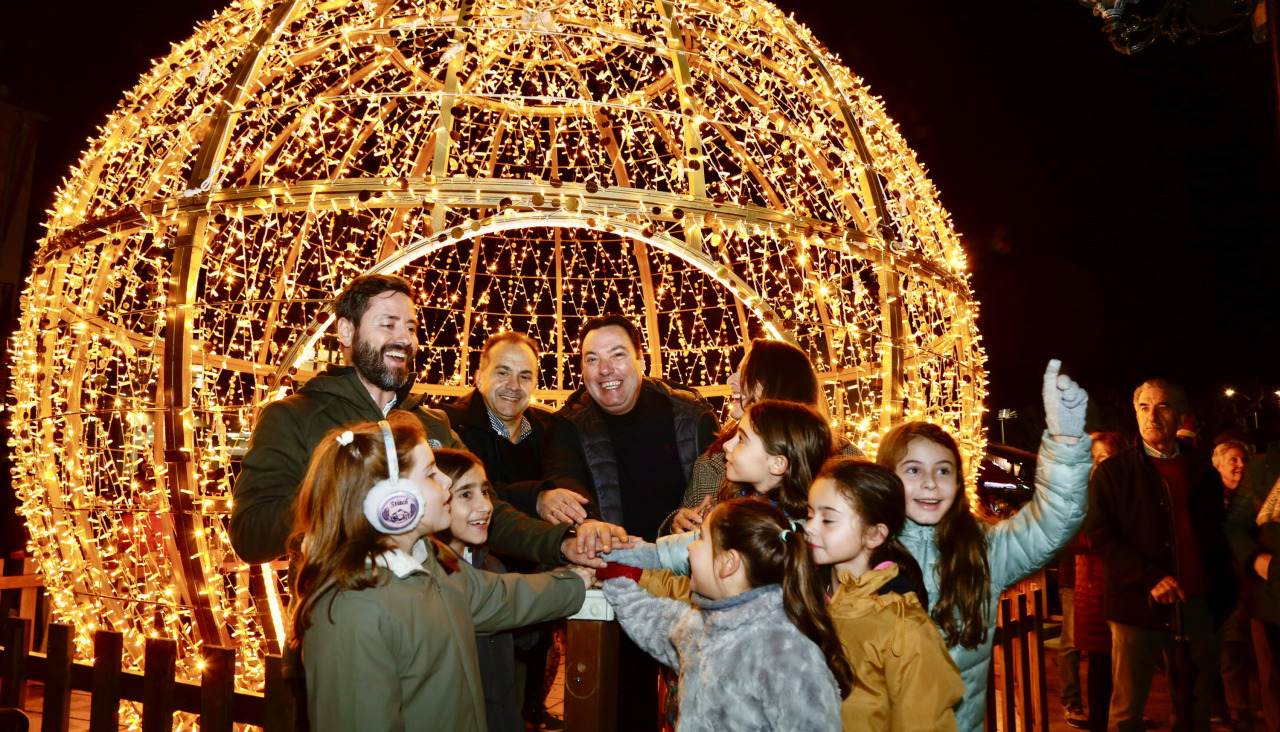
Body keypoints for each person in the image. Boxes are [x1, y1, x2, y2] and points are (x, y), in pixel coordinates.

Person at [230, 274, 624, 569]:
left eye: (411, 328)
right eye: (388, 324)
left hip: (435, 630)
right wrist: (351, 487)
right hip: (346, 632)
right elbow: (250, 535)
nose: (404, 339)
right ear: (347, 331)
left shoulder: (432, 426)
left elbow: (487, 511)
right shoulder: (293, 417)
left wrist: (561, 542)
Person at [287, 414, 593, 732]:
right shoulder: (350, 610)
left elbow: (501, 597)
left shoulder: (432, 563)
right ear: (392, 501)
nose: (446, 482)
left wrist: (578, 580)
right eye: (431, 474)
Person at [881, 360, 1092, 732]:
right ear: (886, 478)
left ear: (959, 482)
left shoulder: (984, 549)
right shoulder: (858, 547)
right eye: (913, 470)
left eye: (943, 470)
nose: (930, 483)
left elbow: (1051, 524)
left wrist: (1065, 443)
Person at [541, 313, 717, 732]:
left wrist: (694, 517)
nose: (606, 370)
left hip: (689, 580)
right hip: (620, 583)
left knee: (700, 701)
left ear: (641, 359)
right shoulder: (570, 424)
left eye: (618, 355)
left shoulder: (691, 415)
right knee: (625, 705)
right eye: (592, 359)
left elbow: (718, 486)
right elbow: (565, 478)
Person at [599, 499, 850, 732]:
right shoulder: (706, 623)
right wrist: (615, 579)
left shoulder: (786, 652)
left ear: (729, 562)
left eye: (700, 539)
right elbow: (655, 621)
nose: (689, 549)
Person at [1088, 379, 1237, 732]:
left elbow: (1218, 534)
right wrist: (1149, 576)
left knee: (1193, 710)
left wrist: (1226, 590)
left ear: (1181, 416)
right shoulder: (1114, 472)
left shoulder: (1203, 471)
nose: (1151, 416)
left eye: (1162, 407)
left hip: (1199, 604)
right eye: (1143, 407)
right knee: (1127, 711)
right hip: (1137, 606)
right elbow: (1100, 536)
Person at [597, 399, 834, 597]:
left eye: (741, 439)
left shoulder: (769, 528)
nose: (727, 446)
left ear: (777, 463)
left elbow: (679, 555)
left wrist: (624, 553)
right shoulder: (736, 496)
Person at [805, 457, 963, 731]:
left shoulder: (902, 624)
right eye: (810, 514)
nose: (809, 527)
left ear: (874, 535)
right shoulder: (805, 596)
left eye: (828, 519)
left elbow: (923, 720)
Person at [669, 337, 862, 535]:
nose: (730, 380)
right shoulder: (714, 461)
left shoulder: (845, 461)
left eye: (746, 373)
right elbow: (681, 540)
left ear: (779, 383)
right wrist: (679, 523)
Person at [438, 331, 555, 520]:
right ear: (479, 379)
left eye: (525, 377)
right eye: (503, 373)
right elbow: (461, 496)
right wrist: (536, 497)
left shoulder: (548, 433)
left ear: (535, 385)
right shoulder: (449, 427)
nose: (514, 385)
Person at [1226, 441, 1280, 732]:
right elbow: (1234, 524)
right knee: (1275, 685)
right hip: (1272, 594)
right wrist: (1255, 558)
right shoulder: (1262, 466)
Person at [1075, 431, 1127, 732]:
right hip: (1093, 591)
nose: (1096, 465)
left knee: (1128, 667)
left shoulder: (1130, 492)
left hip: (1126, 586)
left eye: (1103, 458)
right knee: (1099, 667)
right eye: (1091, 459)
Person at [1212, 438, 1256, 732]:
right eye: (1234, 459)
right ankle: (1239, 714)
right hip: (1223, 588)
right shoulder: (1210, 500)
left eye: (1244, 460)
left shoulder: (1254, 497)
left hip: (1251, 587)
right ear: (1217, 464)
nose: (1241, 465)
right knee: (1229, 654)